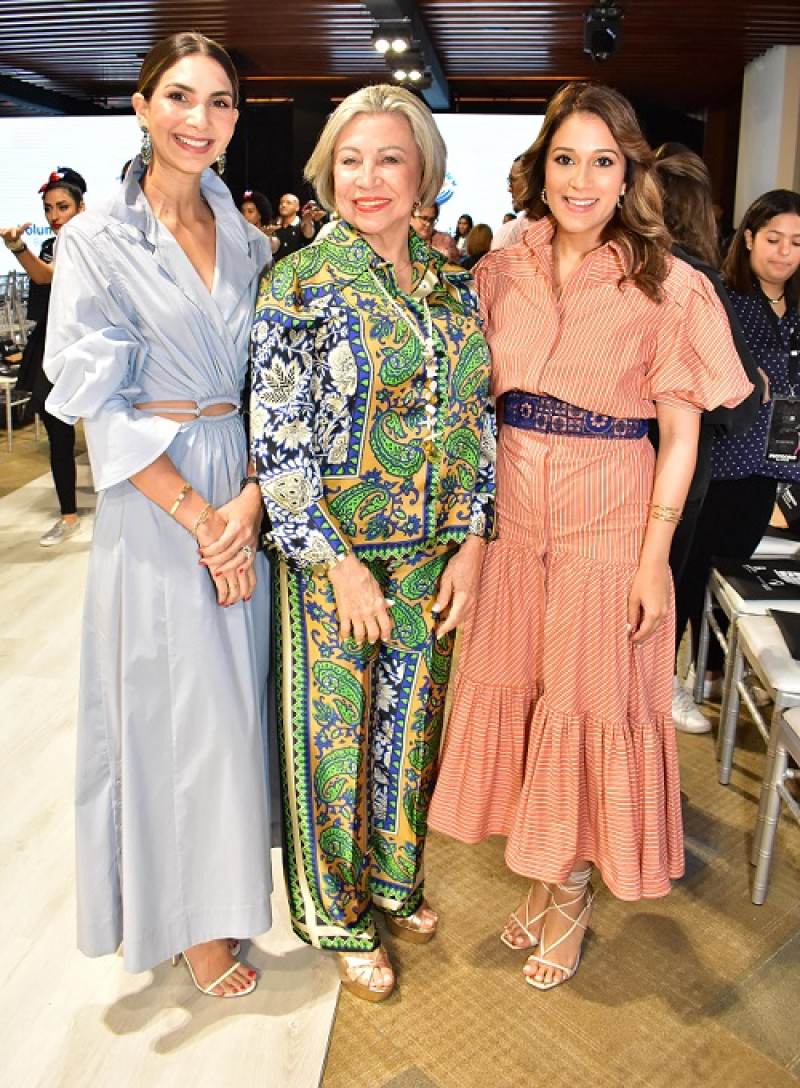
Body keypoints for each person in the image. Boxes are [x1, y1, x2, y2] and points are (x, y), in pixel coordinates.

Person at [428, 81, 752, 991]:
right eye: (566, 158)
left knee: (586, 701)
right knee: (525, 699)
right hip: (511, 516)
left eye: (602, 162)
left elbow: (682, 437)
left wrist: (655, 560)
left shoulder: (672, 286)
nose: (581, 179)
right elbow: (467, 405)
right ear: (542, 168)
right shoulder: (501, 269)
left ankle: (569, 891)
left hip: (610, 517)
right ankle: (545, 876)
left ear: (630, 174)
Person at [250, 83, 495, 1002]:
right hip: (337, 561)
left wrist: (474, 538)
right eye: (349, 160)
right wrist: (335, 559)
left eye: (389, 158)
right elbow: (277, 440)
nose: (368, 178)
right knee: (337, 743)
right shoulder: (299, 282)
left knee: (410, 731)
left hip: (435, 554)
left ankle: (396, 879)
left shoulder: (451, 288)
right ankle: (339, 912)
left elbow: (479, 418)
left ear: (423, 170)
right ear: (326, 172)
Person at [43, 32, 273, 998]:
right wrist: (200, 515)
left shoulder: (254, 242)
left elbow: (277, 388)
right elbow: (99, 402)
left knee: (233, 714)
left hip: (244, 482)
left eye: (219, 102)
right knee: (174, 711)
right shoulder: (93, 240)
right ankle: (181, 919)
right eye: (179, 97)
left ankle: (221, 897)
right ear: (141, 107)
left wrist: (251, 506)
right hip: (158, 492)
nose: (199, 119)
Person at [651, 147, 764, 733]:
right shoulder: (699, 282)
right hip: (680, 461)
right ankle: (658, 687)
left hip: (610, 459)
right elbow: (738, 399)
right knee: (661, 581)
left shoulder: (627, 270)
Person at [679, 189, 800, 693]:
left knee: (733, 570)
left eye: (796, 242)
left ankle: (711, 670)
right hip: (721, 460)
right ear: (749, 237)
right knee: (688, 572)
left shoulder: (797, 308)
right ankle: (668, 678)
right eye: (773, 238)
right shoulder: (725, 299)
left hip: (772, 466)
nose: (784, 252)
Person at [2, 167, 86, 546]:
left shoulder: (92, 242)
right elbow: (44, 277)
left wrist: (20, 249)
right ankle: (68, 516)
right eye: (49, 208)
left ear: (82, 206)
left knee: (110, 432)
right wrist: (21, 250)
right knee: (57, 432)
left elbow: (47, 276)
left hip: (91, 345)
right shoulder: (55, 244)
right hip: (52, 344)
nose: (54, 216)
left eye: (63, 206)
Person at [268, 192, 315, 260]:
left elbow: (308, 235)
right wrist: (268, 235)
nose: (283, 205)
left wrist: (307, 222)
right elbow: (271, 250)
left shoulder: (303, 224)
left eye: (288, 203)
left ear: (297, 207)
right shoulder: (272, 225)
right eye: (281, 203)